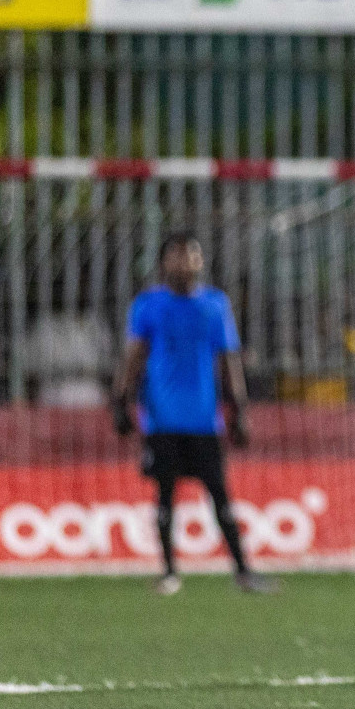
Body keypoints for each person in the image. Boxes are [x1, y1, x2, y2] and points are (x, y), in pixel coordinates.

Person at [112, 231, 275, 596]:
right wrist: (120, 400)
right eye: (176, 256)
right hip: (161, 419)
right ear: (164, 262)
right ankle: (169, 572)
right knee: (164, 495)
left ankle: (243, 571)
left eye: (190, 256)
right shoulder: (148, 305)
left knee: (220, 495)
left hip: (205, 420)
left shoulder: (215, 305)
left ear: (200, 261)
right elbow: (133, 356)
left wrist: (240, 409)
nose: (183, 263)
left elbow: (228, 359)